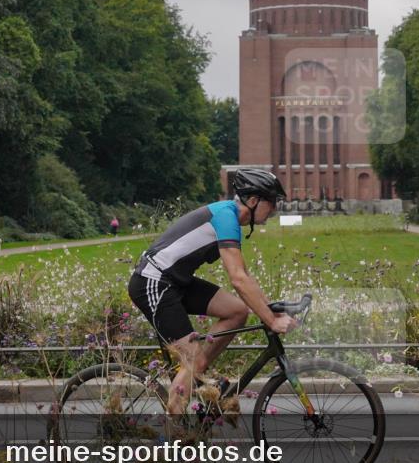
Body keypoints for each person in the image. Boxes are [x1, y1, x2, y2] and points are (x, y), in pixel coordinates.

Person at [127, 169, 297, 416]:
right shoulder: (226, 218)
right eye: (271, 202)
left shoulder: (229, 216)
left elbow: (246, 276)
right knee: (193, 361)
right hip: (152, 282)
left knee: (237, 311)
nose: (274, 209)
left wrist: (269, 307)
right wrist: (271, 321)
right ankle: (174, 437)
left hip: (174, 282)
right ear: (253, 201)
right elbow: (237, 279)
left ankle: (198, 377)